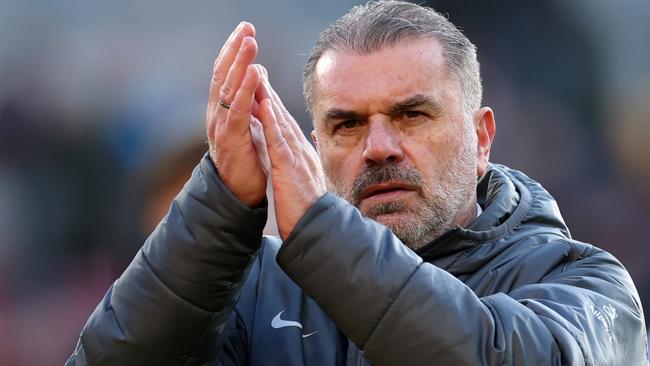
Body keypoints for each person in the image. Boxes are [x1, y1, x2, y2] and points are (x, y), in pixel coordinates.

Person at [66, 1, 648, 365]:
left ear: (482, 138)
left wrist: (321, 233)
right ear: (314, 148)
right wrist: (219, 204)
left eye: (411, 115)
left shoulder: (587, 284)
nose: (378, 148)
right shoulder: (256, 288)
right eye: (346, 124)